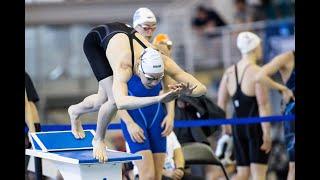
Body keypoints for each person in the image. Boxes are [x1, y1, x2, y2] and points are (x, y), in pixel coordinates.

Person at [67, 21, 207, 164]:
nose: (154, 83)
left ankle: (75, 110)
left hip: (121, 36)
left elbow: (201, 88)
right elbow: (121, 102)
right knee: (112, 101)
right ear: (139, 69)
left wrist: (188, 92)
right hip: (96, 42)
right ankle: (98, 139)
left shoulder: (163, 61)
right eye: (150, 79)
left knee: (100, 101)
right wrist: (159, 99)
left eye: (158, 78)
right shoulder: (124, 66)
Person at [217, 31, 272, 180]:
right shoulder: (257, 72)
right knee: (259, 175)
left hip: (237, 126)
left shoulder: (229, 73)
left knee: (242, 174)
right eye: (259, 46)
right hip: (255, 126)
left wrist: (225, 127)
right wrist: (267, 133)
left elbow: (221, 103)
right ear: (254, 48)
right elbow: (263, 105)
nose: (261, 49)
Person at [255, 51, 295, 180]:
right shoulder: (288, 57)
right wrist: (283, 89)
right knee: (294, 166)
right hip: (293, 116)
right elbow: (260, 76)